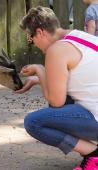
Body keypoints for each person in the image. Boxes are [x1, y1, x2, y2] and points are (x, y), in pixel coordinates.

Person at [16, 6, 98, 170]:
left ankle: (94, 154)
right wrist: (38, 79)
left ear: (40, 32)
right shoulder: (80, 37)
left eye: (30, 39)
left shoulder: (57, 50)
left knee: (34, 122)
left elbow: (56, 101)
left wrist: (40, 70)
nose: (33, 44)